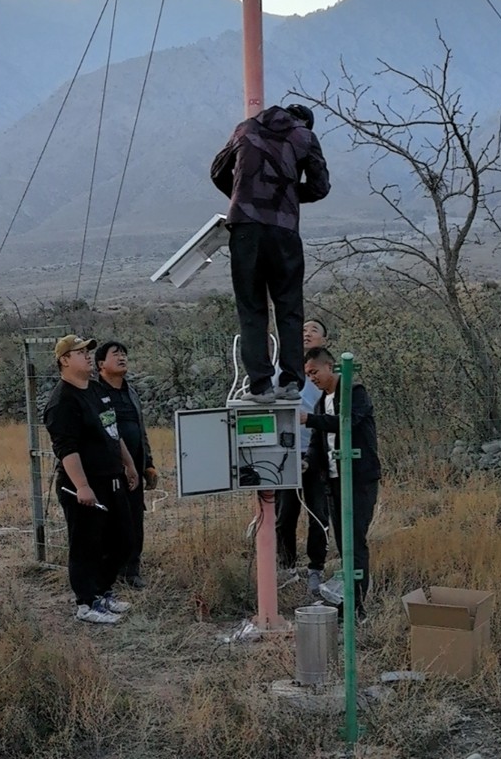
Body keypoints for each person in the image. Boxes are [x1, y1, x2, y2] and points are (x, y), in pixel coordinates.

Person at [210, 103, 331, 405]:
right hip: (283, 230)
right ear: (304, 121)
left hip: (245, 229)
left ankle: (260, 385)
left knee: (251, 309)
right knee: (289, 309)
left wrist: (245, 195)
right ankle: (291, 382)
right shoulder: (304, 136)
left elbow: (217, 171)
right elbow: (320, 187)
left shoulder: (245, 128)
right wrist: (285, 196)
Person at [43, 334, 138, 624]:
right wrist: (82, 486)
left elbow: (112, 430)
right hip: (84, 486)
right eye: (80, 352)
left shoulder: (97, 390)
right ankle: (86, 603)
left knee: (122, 539)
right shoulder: (62, 402)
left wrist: (129, 464)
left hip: (113, 479)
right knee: (86, 544)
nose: (87, 356)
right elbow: (66, 449)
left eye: (88, 351)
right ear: (64, 360)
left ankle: (103, 591)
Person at [302, 346, 381, 622]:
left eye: (314, 372)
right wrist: (307, 463)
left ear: (330, 367)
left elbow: (346, 422)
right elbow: (317, 440)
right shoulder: (320, 402)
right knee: (342, 541)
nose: (312, 378)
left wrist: (309, 419)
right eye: (308, 375)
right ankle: (347, 601)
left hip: (359, 478)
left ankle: (357, 607)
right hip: (333, 481)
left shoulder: (354, 393)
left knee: (355, 542)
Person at [95, 340, 158, 589]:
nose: (122, 357)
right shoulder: (95, 393)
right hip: (107, 470)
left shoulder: (131, 392)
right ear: (101, 364)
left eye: (124, 353)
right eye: (115, 354)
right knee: (108, 522)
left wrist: (148, 464)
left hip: (134, 471)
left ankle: (132, 571)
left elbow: (140, 432)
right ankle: (107, 572)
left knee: (134, 520)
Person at [275, 319, 330, 594]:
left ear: (325, 340)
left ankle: (315, 568)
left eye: (314, 331)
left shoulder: (328, 373)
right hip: (285, 453)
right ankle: (286, 566)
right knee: (285, 513)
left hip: (318, 452)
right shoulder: (281, 369)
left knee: (318, 513)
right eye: (304, 330)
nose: (307, 333)